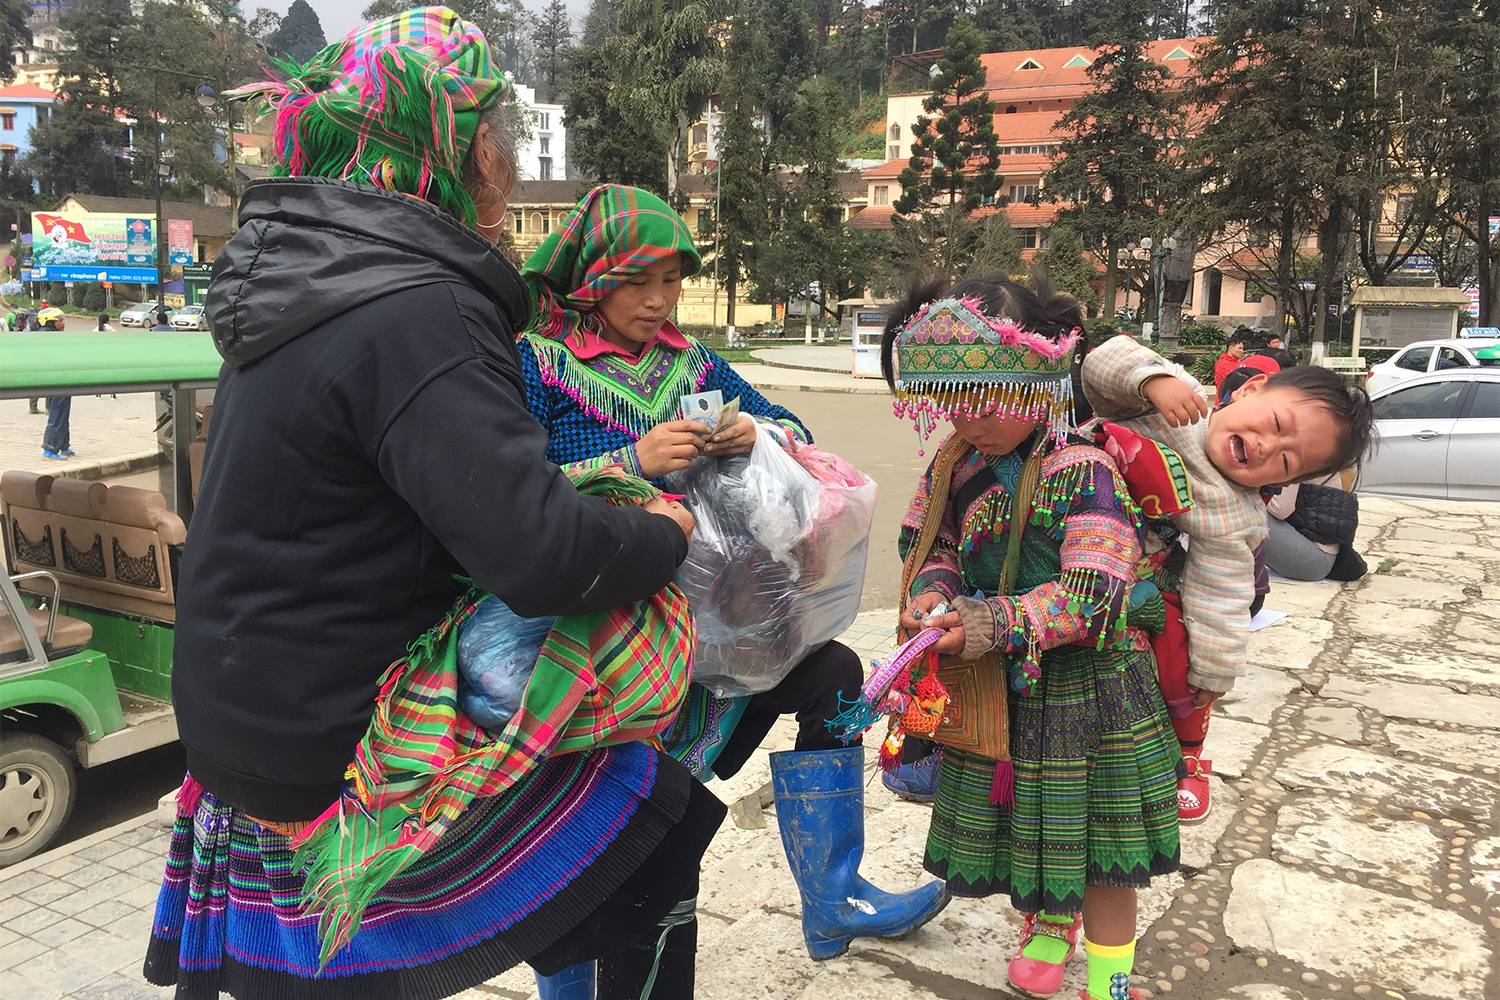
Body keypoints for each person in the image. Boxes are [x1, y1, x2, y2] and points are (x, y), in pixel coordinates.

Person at [143, 12, 726, 1000]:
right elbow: (543, 556)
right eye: (490, 127)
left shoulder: (299, 283)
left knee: (602, 832)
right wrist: (661, 532)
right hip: (330, 741)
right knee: (653, 818)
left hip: (234, 716)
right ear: (461, 151)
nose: (502, 152)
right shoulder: (421, 304)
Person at [515, 183, 949, 973]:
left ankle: (834, 896)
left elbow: (802, 434)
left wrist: (760, 430)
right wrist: (626, 464)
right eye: (637, 280)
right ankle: (573, 975)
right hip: (603, 645)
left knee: (835, 677)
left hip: (719, 629)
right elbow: (505, 497)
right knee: (598, 850)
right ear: (590, 278)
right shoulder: (535, 365)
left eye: (672, 280)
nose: (658, 300)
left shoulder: (695, 362)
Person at [881, 273, 1181, 1000]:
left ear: (1035, 380)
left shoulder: (1084, 466)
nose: (964, 420)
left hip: (1095, 689)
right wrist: (935, 592)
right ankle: (1047, 927)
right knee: (1036, 827)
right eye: (947, 402)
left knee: (1108, 851)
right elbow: (934, 545)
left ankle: (1111, 982)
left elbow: (1094, 591)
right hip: (1010, 690)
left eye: (980, 401)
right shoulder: (957, 466)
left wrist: (988, 622)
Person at [1081, 338, 1374, 823]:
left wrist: (1215, 668)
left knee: (1178, 652)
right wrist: (1155, 380)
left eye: (1285, 461)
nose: (1266, 446)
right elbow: (1101, 362)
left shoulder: (1235, 510)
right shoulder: (1183, 404)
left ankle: (1186, 755)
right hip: (1052, 514)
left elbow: (1221, 588)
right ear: (1249, 389)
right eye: (1277, 425)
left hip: (1122, 574)